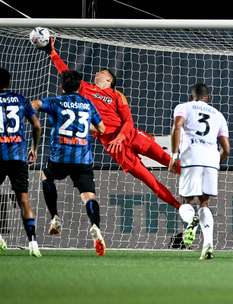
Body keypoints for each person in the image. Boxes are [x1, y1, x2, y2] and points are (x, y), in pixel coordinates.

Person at [39, 38, 181, 210]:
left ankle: (196, 181)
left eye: (102, 72)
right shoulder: (86, 89)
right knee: (150, 181)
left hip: (131, 136)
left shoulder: (117, 94)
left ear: (109, 80)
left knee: (168, 160)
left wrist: (120, 137)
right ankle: (180, 207)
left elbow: (128, 121)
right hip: (115, 148)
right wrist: (52, 53)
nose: (97, 73)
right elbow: (65, 73)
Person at [31, 70, 107, 256]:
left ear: (62, 86)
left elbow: (35, 104)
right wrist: (83, 128)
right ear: (80, 87)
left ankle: (55, 217)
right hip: (83, 159)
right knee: (89, 196)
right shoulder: (87, 103)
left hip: (60, 157)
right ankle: (95, 226)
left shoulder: (56, 101)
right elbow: (102, 129)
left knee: (46, 176)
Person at [169, 83, 230, 260]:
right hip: (211, 159)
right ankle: (208, 244)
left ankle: (191, 222)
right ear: (207, 98)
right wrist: (215, 162)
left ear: (191, 96)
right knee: (204, 203)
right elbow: (226, 149)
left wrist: (174, 154)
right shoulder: (218, 115)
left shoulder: (184, 107)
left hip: (191, 158)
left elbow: (177, 126)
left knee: (187, 200)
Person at [0, 67, 42, 257]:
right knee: (24, 199)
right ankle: (33, 243)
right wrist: (34, 148)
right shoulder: (20, 99)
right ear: (9, 82)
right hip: (18, 157)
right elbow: (36, 125)